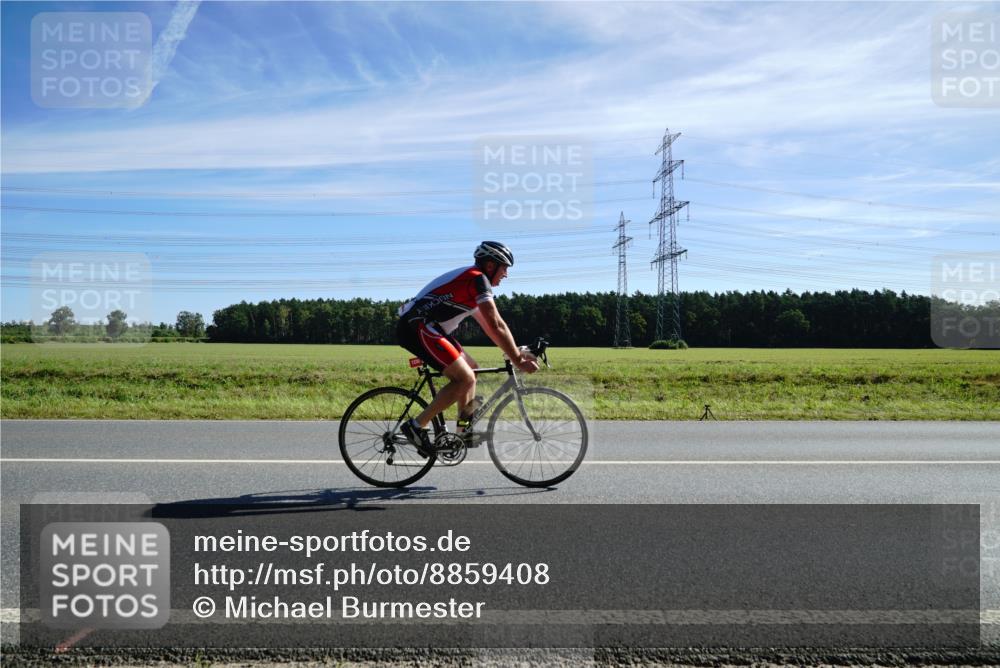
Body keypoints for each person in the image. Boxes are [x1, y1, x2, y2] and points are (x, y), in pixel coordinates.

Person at [396, 241, 539, 454]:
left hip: (428, 327)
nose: (506, 274)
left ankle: (463, 433)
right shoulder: (477, 279)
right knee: (465, 378)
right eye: (505, 268)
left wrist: (517, 351)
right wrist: (517, 360)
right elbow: (496, 325)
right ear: (491, 266)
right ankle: (416, 426)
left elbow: (493, 328)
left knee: (472, 369)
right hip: (417, 326)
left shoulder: (471, 283)